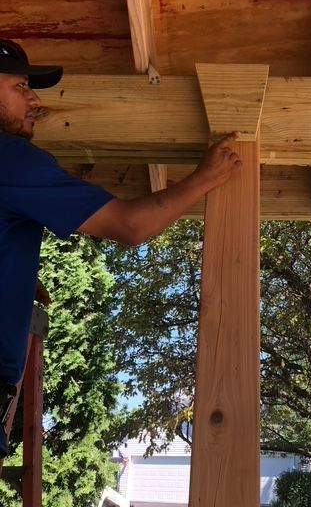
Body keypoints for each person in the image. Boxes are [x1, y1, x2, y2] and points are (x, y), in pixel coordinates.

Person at [0, 39, 241, 458]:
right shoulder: (11, 159)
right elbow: (131, 226)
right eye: (20, 87)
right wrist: (205, 178)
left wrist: (18, 279)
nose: (35, 99)